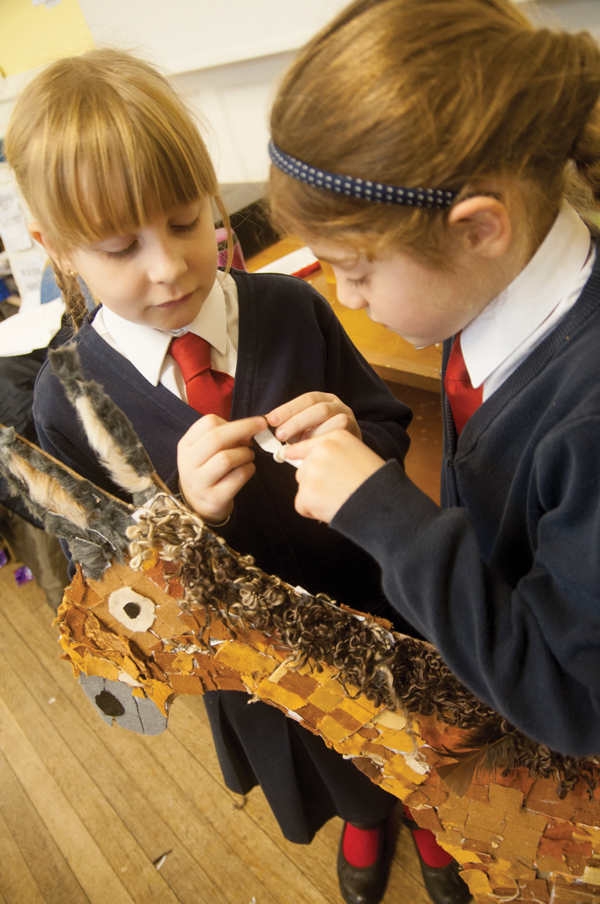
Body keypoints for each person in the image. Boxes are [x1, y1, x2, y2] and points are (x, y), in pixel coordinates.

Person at [4, 48, 415, 904]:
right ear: (60, 251)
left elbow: (386, 421)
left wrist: (355, 436)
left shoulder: (293, 310)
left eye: (188, 223)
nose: (170, 268)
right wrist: (182, 514)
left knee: (423, 745)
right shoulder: (66, 401)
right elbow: (110, 591)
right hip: (259, 667)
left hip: (377, 606)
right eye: (120, 247)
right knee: (342, 772)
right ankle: (369, 825)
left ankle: (438, 835)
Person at [266, 0, 600, 896]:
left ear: (479, 228)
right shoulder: (488, 294)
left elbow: (574, 699)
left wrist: (387, 516)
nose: (347, 297)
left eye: (361, 270)